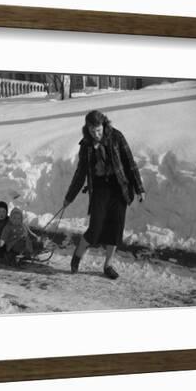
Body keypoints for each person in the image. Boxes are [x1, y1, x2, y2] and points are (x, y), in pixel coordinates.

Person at [63, 110, 146, 279]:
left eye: (99, 130)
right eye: (92, 131)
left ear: (104, 125)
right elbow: (80, 173)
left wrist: (139, 188)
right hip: (100, 190)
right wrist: (69, 197)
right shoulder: (86, 145)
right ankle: (78, 254)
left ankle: (108, 265)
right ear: (87, 129)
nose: (96, 134)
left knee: (115, 229)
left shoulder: (116, 137)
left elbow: (129, 163)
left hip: (119, 188)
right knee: (95, 229)